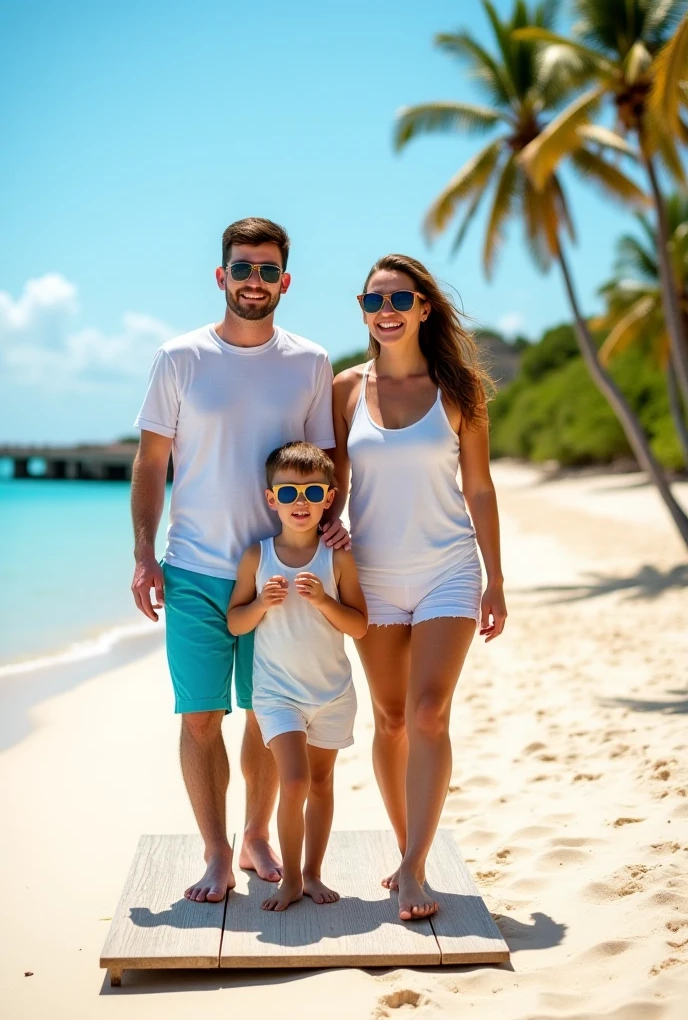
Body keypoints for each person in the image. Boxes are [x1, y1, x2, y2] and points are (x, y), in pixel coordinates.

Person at [130, 218, 349, 904]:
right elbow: (151, 460)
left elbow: (325, 462)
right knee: (200, 717)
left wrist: (332, 527)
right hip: (194, 568)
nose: (254, 279)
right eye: (242, 267)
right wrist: (144, 552)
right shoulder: (179, 357)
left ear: (285, 281)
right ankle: (216, 853)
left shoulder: (310, 362)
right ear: (221, 276)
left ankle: (256, 835)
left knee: (265, 714)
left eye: (266, 269)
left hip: (276, 572)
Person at [330, 254, 507, 922]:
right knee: (392, 718)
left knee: (429, 711)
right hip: (372, 577)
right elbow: (336, 485)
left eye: (398, 299)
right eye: (372, 303)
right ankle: (410, 849)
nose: (386, 312)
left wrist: (496, 579)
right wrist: (316, 547)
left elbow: (480, 487)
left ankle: (411, 869)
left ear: (424, 307)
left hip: (447, 571)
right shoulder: (346, 389)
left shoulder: (459, 388)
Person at [227, 442, 367, 912]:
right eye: (288, 493)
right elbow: (235, 622)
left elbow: (359, 624)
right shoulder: (257, 556)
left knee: (322, 783)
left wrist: (326, 602)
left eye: (312, 492)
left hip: (331, 694)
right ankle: (288, 878)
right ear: (272, 500)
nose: (300, 502)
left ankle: (312, 873)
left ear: (330, 497)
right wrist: (260, 603)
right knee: (294, 781)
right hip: (277, 694)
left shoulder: (338, 559)